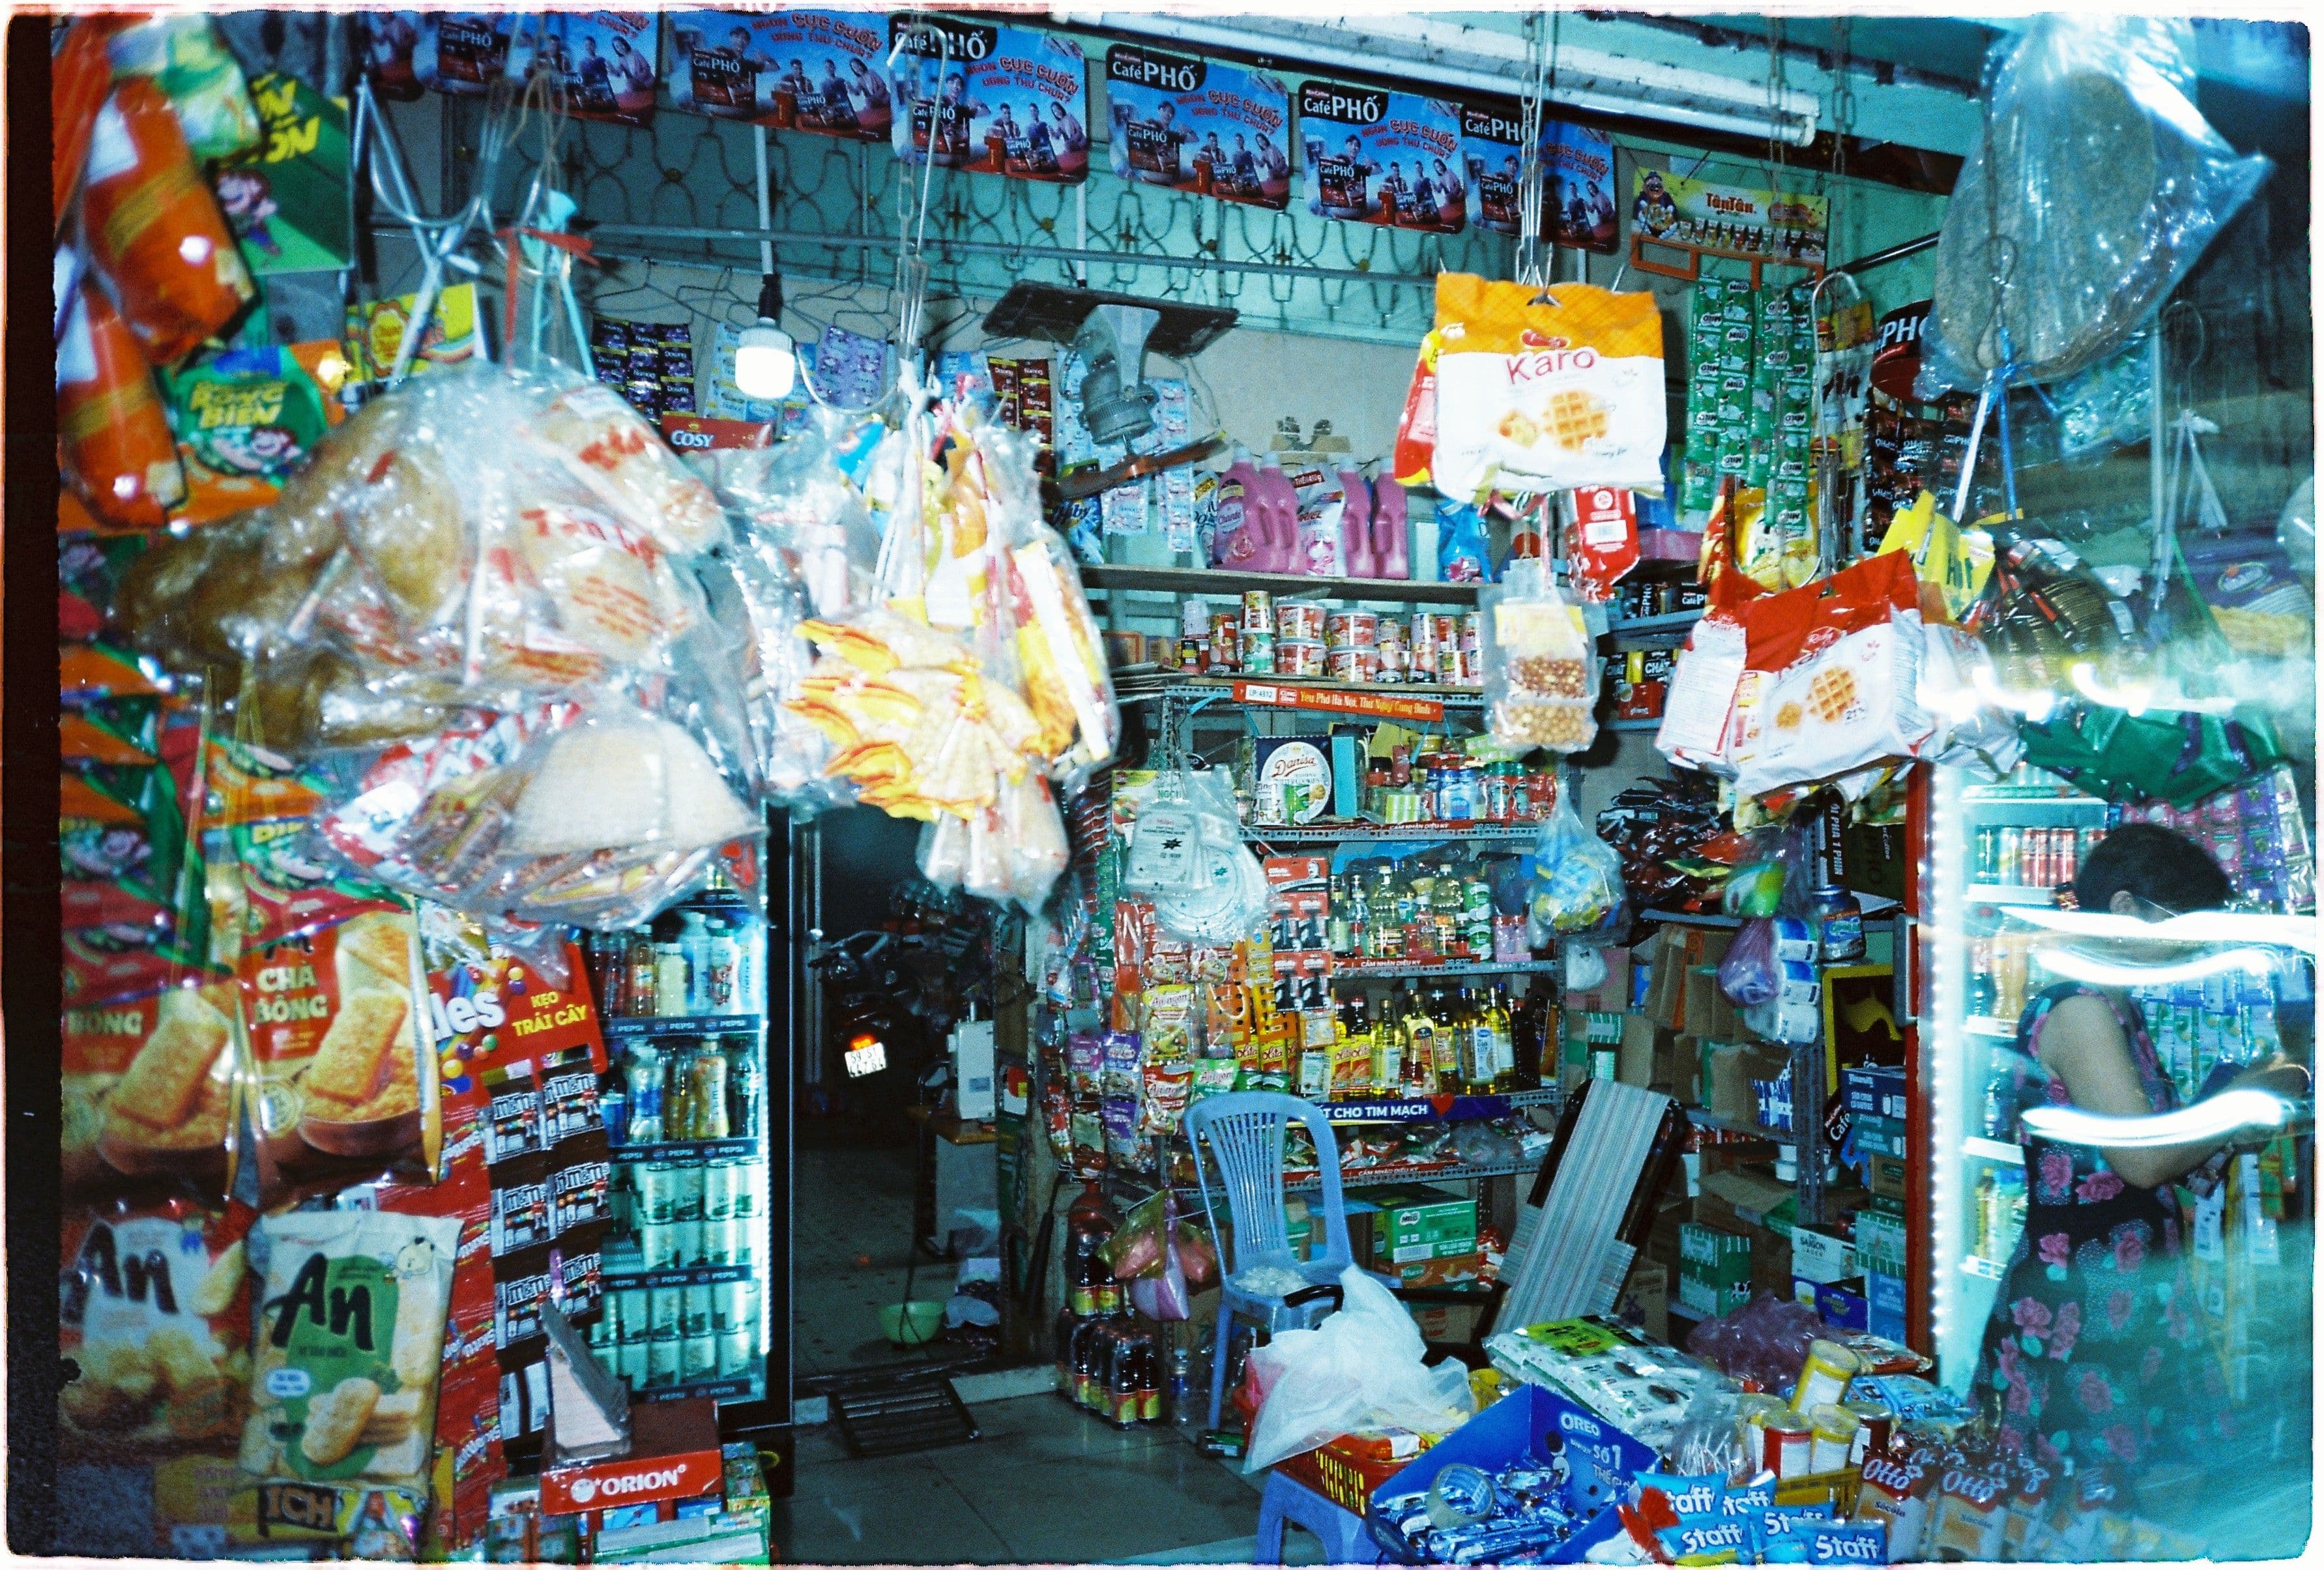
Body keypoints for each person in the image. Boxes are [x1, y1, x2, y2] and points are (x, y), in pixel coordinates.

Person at [1973, 823, 2310, 1474]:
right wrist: (2245, 1093)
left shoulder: (2115, 1007)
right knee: (2079, 1506)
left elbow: (2139, 1161)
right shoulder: (2079, 1010)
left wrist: (2220, 1131)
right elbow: (2142, 1159)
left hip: (2122, 1294)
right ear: (2124, 909)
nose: (2190, 948)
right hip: (2078, 1308)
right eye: (2180, 925)